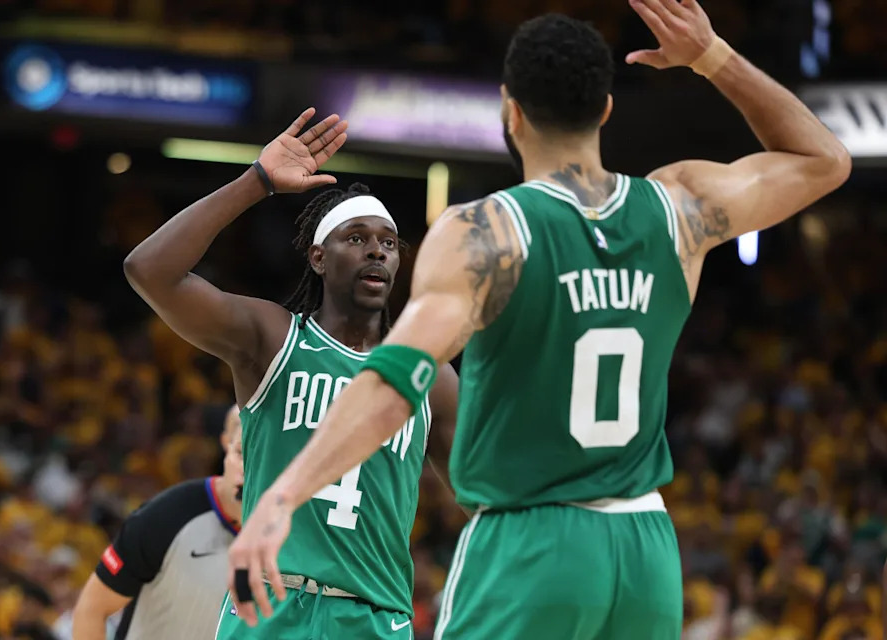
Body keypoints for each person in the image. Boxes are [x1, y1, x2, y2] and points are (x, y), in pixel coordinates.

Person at [230, 2, 851, 639]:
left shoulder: (486, 233)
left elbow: (396, 380)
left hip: (532, 540)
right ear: (606, 109)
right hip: (643, 544)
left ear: (511, 111)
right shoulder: (681, 209)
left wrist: (281, 496)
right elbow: (824, 159)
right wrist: (712, 58)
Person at [122, 110, 458, 639]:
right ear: (319, 257)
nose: (377, 249)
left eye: (389, 243)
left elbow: (482, 495)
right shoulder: (273, 338)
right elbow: (150, 270)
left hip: (375, 616)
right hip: (271, 608)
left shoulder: (429, 374)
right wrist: (255, 182)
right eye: (358, 238)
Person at [71, 405, 243, 640]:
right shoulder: (169, 514)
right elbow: (91, 609)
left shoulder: (298, 534)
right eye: (242, 452)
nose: (249, 467)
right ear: (227, 444)